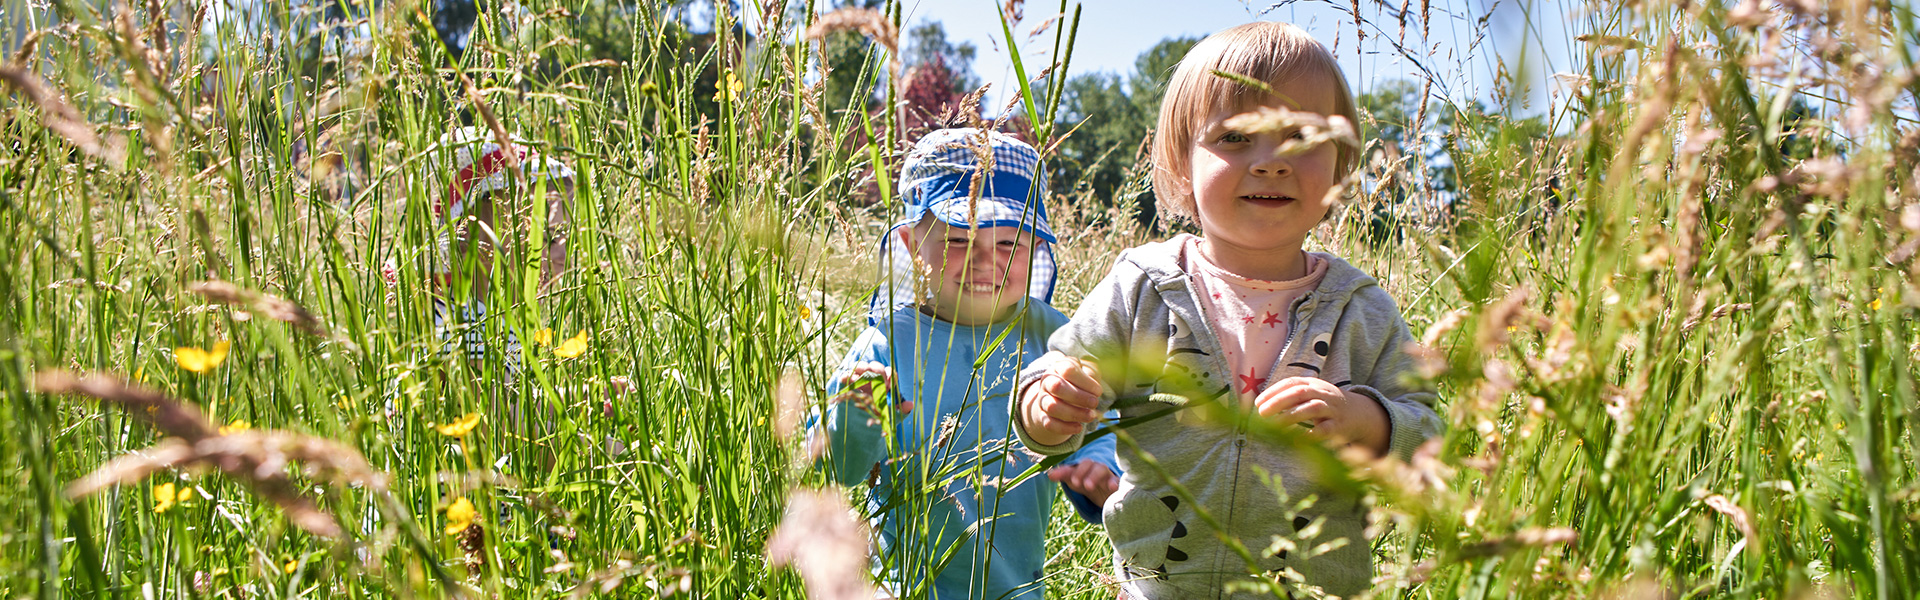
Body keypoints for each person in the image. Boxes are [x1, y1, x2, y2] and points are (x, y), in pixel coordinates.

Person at [1011, 22, 1445, 598]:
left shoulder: (1361, 310)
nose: (1270, 162)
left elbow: (1428, 436)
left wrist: (1368, 421)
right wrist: (1049, 405)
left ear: (1340, 166)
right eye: (1236, 138)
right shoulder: (1143, 286)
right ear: (1179, 164)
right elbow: (1050, 384)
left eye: (1302, 136)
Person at [817, 127, 1121, 600]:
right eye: (959, 240)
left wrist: (1099, 469)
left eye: (1008, 245)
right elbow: (838, 470)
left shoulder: (1053, 336)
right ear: (912, 243)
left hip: (1017, 589)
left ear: (1037, 248)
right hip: (904, 586)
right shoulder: (888, 342)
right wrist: (856, 417)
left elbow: (1098, 420)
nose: (985, 262)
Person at [427, 125, 573, 368]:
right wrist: (592, 400)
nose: (562, 256)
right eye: (546, 238)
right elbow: (500, 404)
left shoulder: (495, 320)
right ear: (471, 237)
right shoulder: (460, 324)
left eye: (564, 237)